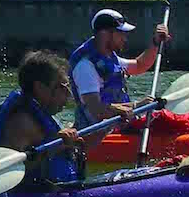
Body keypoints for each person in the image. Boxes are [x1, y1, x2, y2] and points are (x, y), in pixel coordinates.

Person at [68, 9, 171, 139]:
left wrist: (155, 42)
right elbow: (97, 109)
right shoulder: (85, 66)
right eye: (121, 33)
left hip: (119, 125)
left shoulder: (109, 57)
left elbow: (140, 65)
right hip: (97, 133)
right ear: (105, 34)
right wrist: (137, 106)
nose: (125, 38)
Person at [0, 50, 84, 185]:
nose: (68, 95)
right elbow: (5, 173)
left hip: (54, 191)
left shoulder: (39, 113)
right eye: (63, 87)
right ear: (40, 87)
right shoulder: (21, 122)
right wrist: (54, 147)